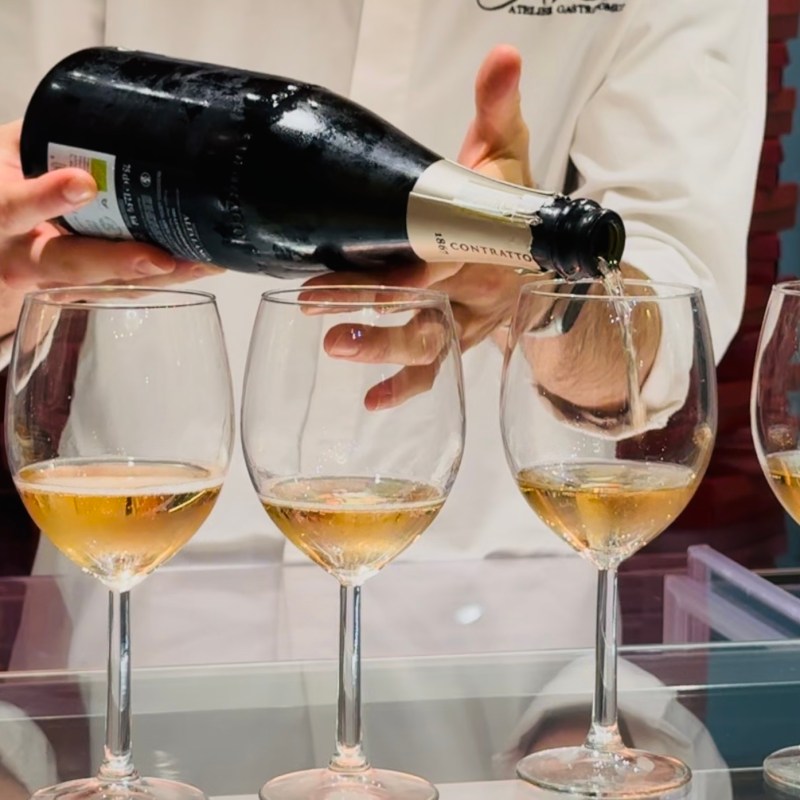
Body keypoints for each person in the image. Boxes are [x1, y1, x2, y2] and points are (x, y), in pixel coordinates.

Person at [0, 0, 768, 793]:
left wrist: (535, 286)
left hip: (508, 664)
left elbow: (667, 334)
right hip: (136, 594)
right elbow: (15, 169)